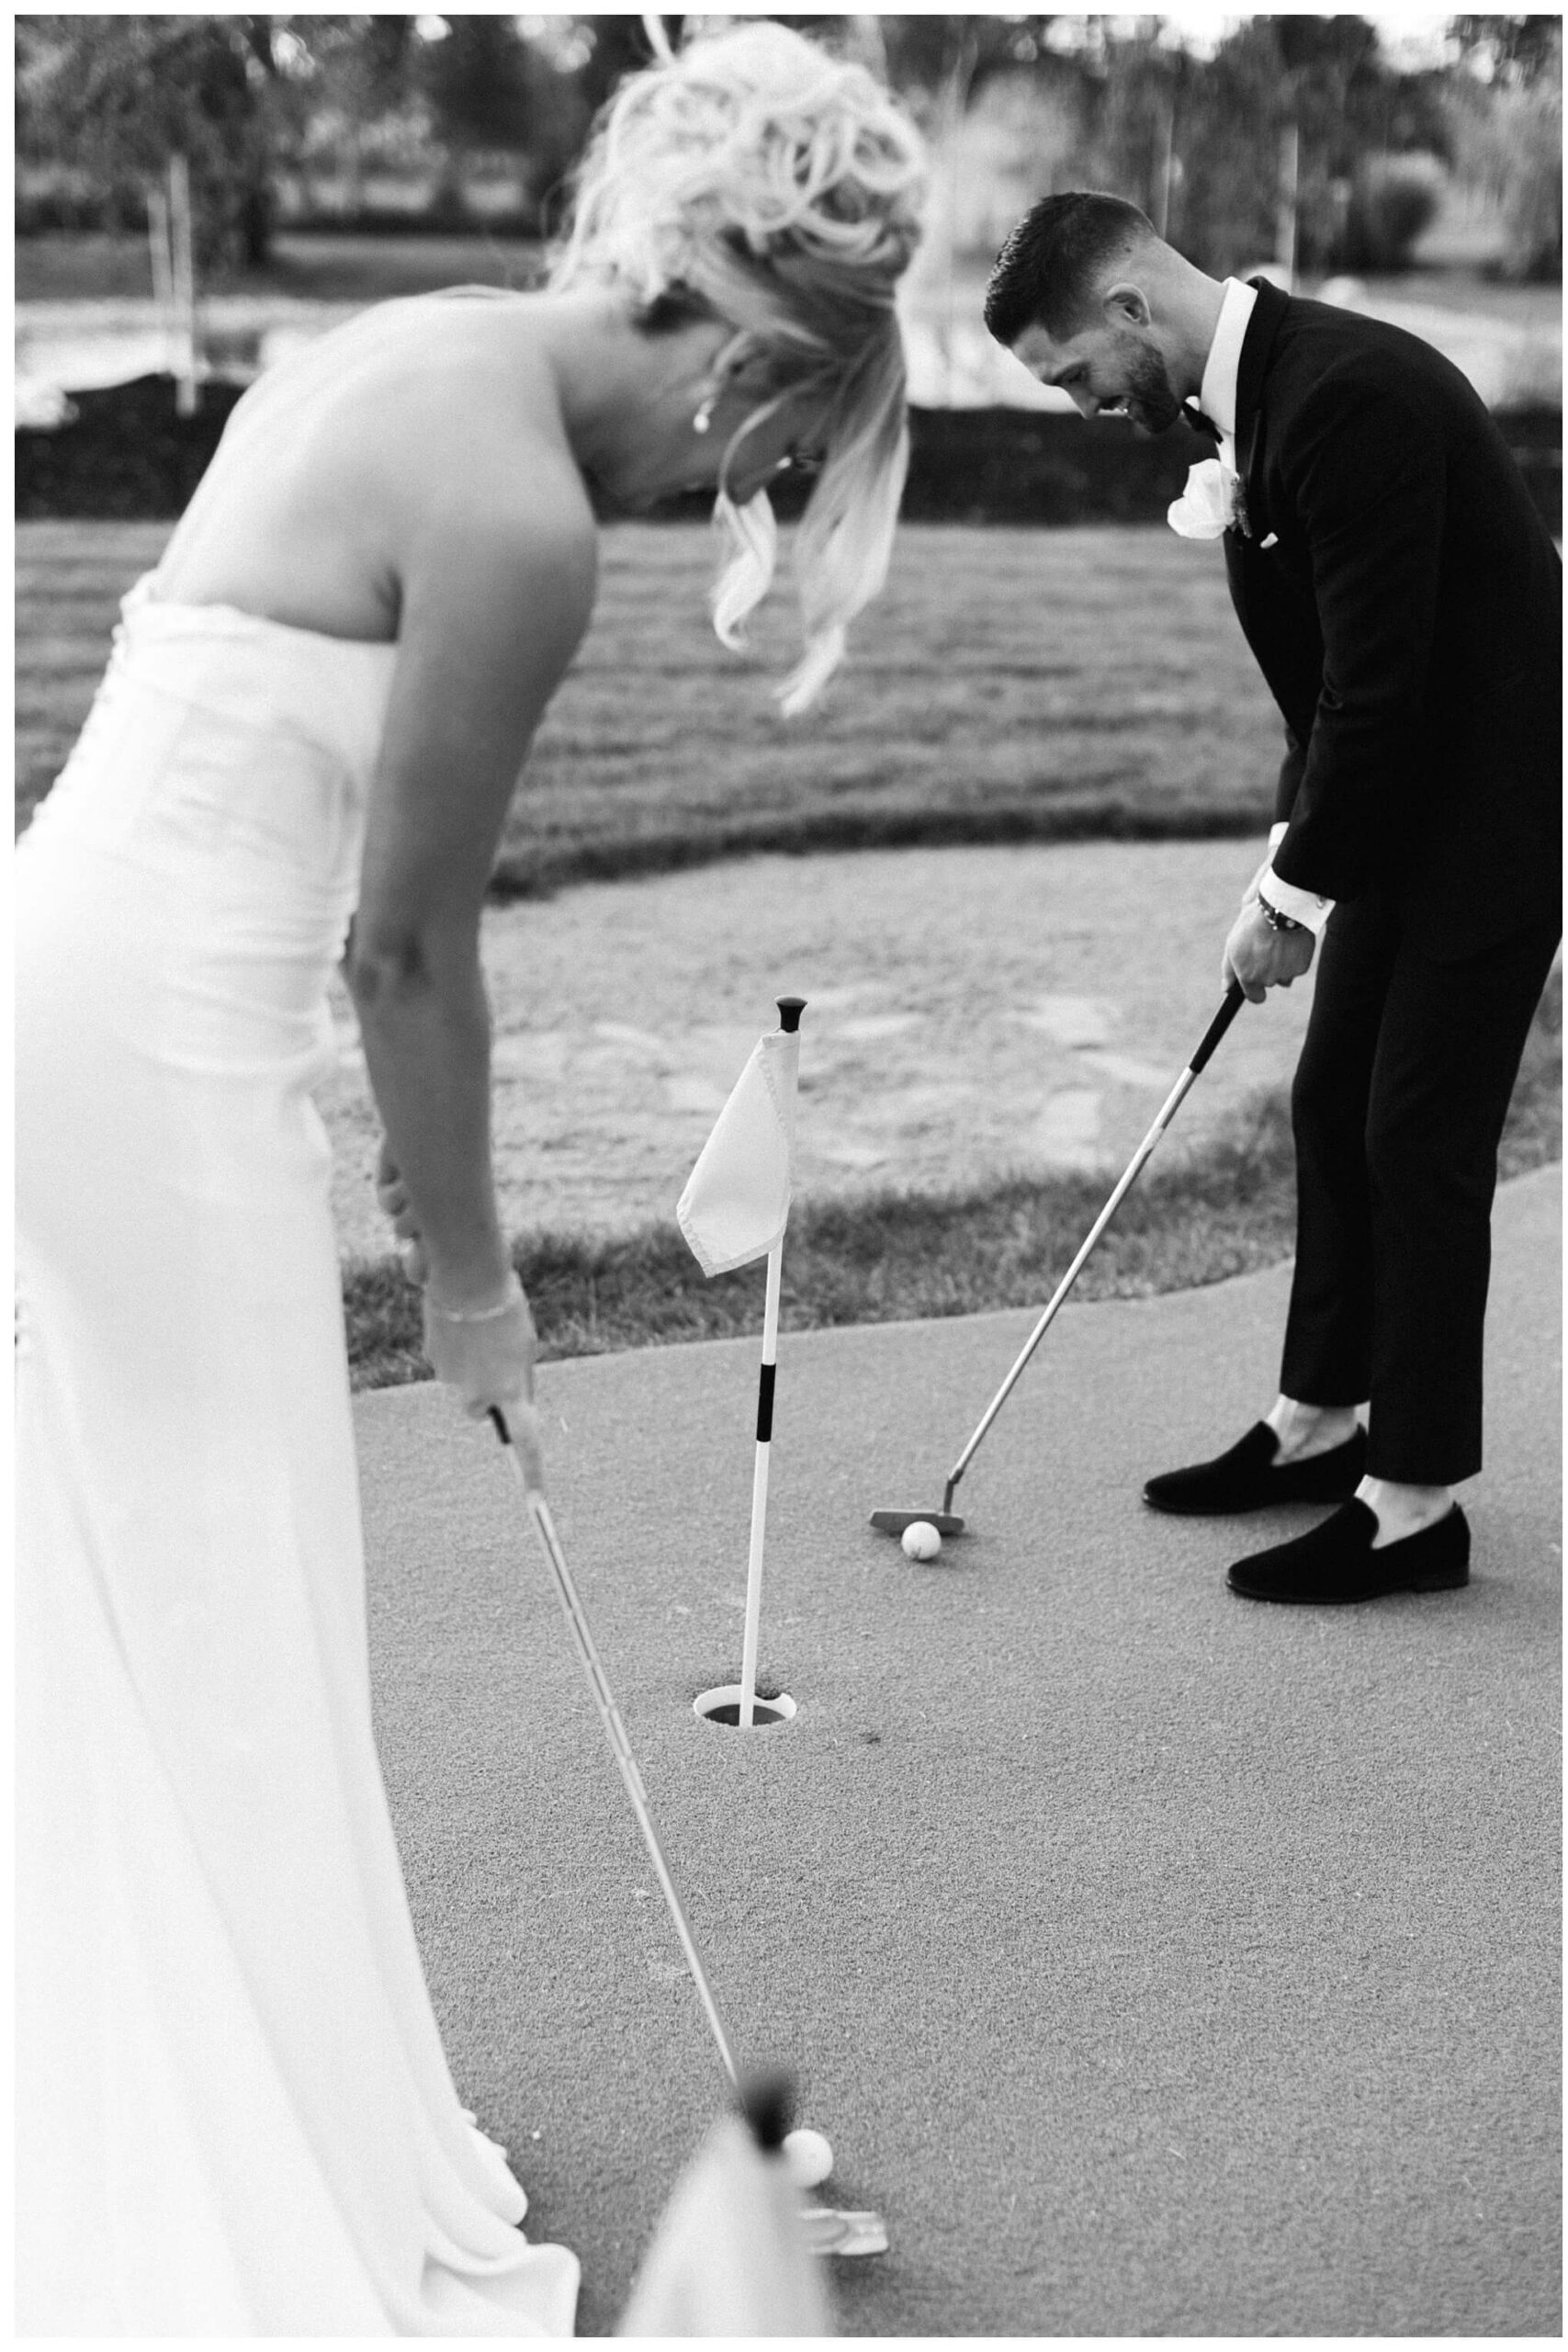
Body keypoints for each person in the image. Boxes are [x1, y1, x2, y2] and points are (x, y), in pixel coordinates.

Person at [14, 23, 926, 2330]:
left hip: (84, 973)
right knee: (235, 1586)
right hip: (155, 1043)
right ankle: (257, 2161)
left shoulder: (407, 346)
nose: (751, 486)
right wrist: (475, 1282)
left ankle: (278, 2086)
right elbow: (404, 948)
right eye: (791, 442)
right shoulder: (517, 517)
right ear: (751, 350)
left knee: (188, 1575)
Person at [983, 191, 1560, 1607]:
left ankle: (1416, 1504)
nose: (1080, 404)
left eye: (1072, 372)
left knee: (1414, 1131)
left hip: (1500, 803)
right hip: (1409, 799)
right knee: (1332, 1105)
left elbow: (1381, 686)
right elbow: (1325, 692)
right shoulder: (1260, 404)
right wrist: (1283, 863)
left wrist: (1290, 898)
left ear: (1129, 308)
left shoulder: (1343, 396)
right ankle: (1321, 1420)